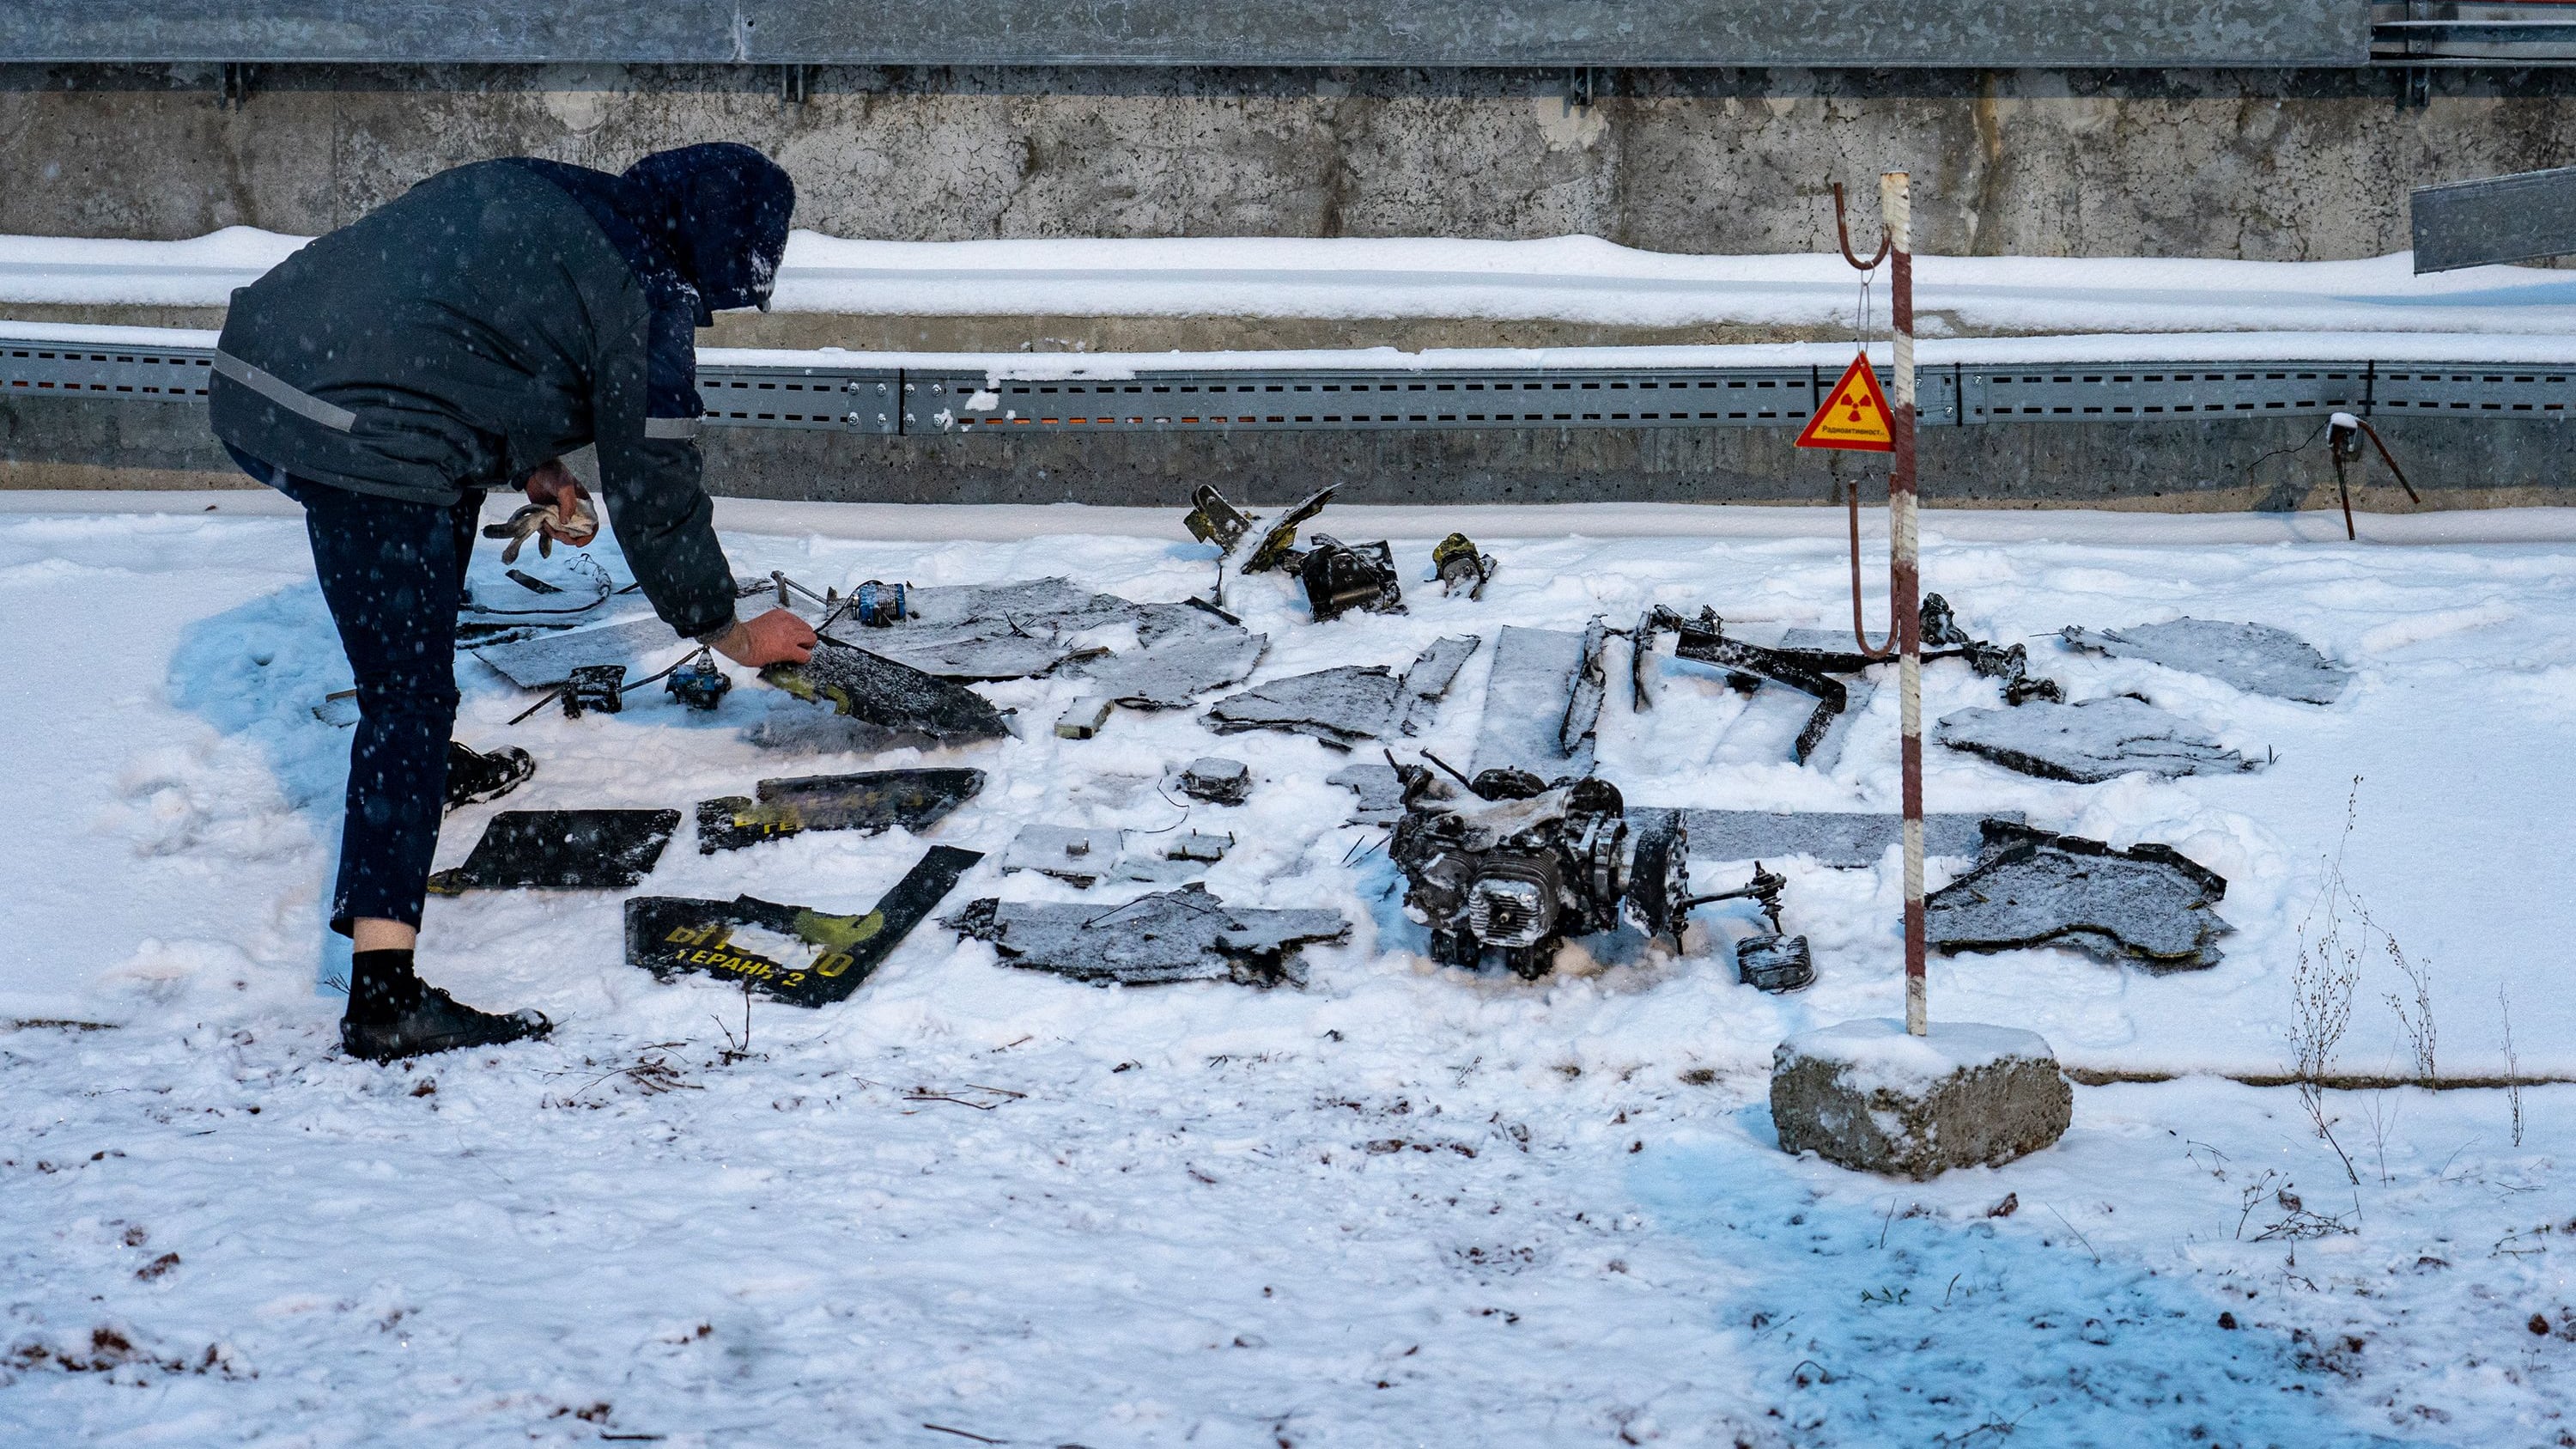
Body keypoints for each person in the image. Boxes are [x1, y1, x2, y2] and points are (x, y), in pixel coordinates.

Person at [210, 143, 819, 1064]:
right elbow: (657, 491)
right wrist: (730, 632)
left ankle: (416, 778)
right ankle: (384, 997)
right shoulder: (647, 288)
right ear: (711, 244)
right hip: (357, 420)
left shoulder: (560, 198)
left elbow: (454, 335)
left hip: (261, 370)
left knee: (424, 522)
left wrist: (530, 460)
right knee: (406, 694)